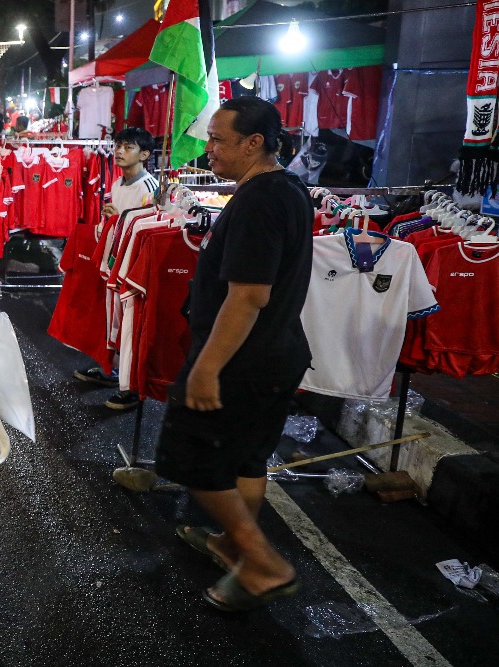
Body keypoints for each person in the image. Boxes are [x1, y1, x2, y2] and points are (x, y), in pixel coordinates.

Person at [155, 97, 312, 612]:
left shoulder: (261, 201)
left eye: (219, 139)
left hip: (242, 362)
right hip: (273, 355)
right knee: (246, 457)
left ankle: (263, 562)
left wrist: (206, 369)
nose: (209, 149)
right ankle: (233, 545)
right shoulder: (283, 190)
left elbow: (248, 296)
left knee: (193, 457)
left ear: (254, 143)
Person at [72, 127, 158, 411]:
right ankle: (113, 371)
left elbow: (145, 233)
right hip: (113, 261)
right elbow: (112, 224)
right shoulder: (118, 184)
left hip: (131, 268)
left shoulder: (150, 189)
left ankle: (131, 385)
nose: (119, 152)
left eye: (128, 147)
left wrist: (118, 220)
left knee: (128, 324)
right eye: (118, 146)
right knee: (112, 321)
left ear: (144, 154)